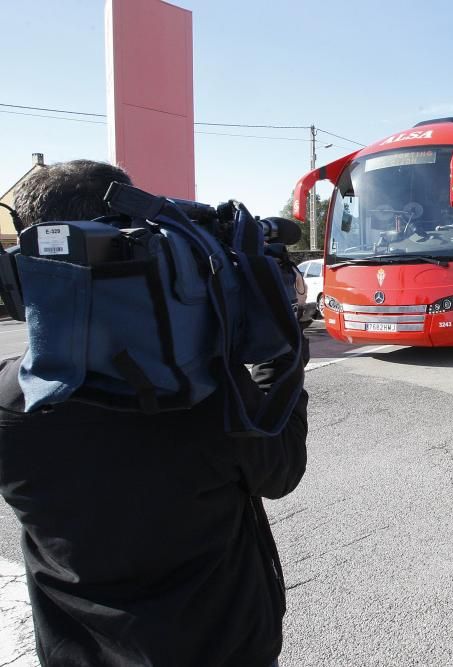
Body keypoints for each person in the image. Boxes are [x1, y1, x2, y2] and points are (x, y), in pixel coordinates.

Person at [0, 160, 308, 667]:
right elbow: (282, 470)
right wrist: (282, 351)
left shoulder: (12, 402)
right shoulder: (205, 396)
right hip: (221, 649)